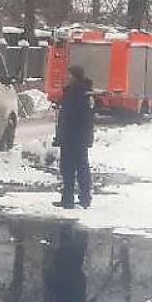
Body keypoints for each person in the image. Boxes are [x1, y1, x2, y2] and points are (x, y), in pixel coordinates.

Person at [53, 64, 95, 209]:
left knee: (80, 168)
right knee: (66, 168)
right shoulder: (71, 92)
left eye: (70, 75)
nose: (67, 78)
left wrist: (85, 137)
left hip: (77, 137)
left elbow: (84, 118)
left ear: (76, 77)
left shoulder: (83, 94)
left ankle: (84, 198)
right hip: (69, 137)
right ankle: (67, 199)